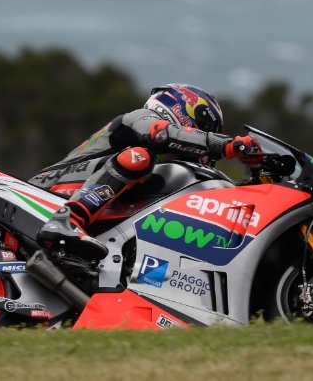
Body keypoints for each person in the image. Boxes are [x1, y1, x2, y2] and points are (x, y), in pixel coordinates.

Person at [29, 83, 262, 261]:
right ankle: (67, 220)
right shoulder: (139, 118)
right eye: (204, 125)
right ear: (183, 110)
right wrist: (227, 145)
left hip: (85, 191)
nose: (204, 133)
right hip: (51, 184)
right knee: (139, 157)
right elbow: (162, 134)